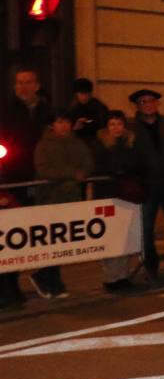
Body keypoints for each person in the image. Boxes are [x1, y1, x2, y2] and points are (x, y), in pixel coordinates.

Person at [0, 67, 53, 308]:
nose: (23, 86)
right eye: (19, 82)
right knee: (11, 235)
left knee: (38, 234)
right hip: (14, 179)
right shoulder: (6, 111)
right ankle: (8, 286)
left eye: (28, 82)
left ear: (36, 85)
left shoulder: (46, 111)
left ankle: (45, 279)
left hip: (41, 179)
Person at [30, 111, 95, 298]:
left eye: (66, 122)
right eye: (59, 122)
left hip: (70, 198)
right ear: (52, 125)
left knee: (63, 243)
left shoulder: (77, 143)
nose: (64, 126)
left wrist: (82, 172)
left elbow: (88, 163)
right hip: (49, 199)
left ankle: (51, 278)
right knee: (51, 241)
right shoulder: (44, 145)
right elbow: (43, 169)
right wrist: (71, 173)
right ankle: (47, 277)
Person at [129, 88, 164, 282]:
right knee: (147, 228)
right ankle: (151, 265)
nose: (148, 105)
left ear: (157, 103)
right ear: (137, 106)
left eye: (151, 101)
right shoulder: (132, 127)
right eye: (143, 102)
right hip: (147, 184)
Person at [92, 110, 143, 291]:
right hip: (108, 196)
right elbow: (101, 167)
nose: (116, 128)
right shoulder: (101, 144)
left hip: (127, 195)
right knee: (111, 239)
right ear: (107, 127)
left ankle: (123, 275)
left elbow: (136, 163)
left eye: (119, 124)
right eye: (112, 124)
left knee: (125, 238)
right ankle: (111, 277)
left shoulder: (130, 142)